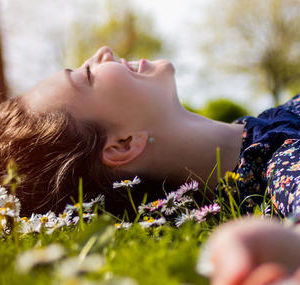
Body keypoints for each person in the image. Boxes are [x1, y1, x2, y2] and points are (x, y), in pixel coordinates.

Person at [1, 46, 300, 281]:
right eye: (88, 75)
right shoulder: (285, 169)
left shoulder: (273, 127)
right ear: (124, 145)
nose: (103, 51)